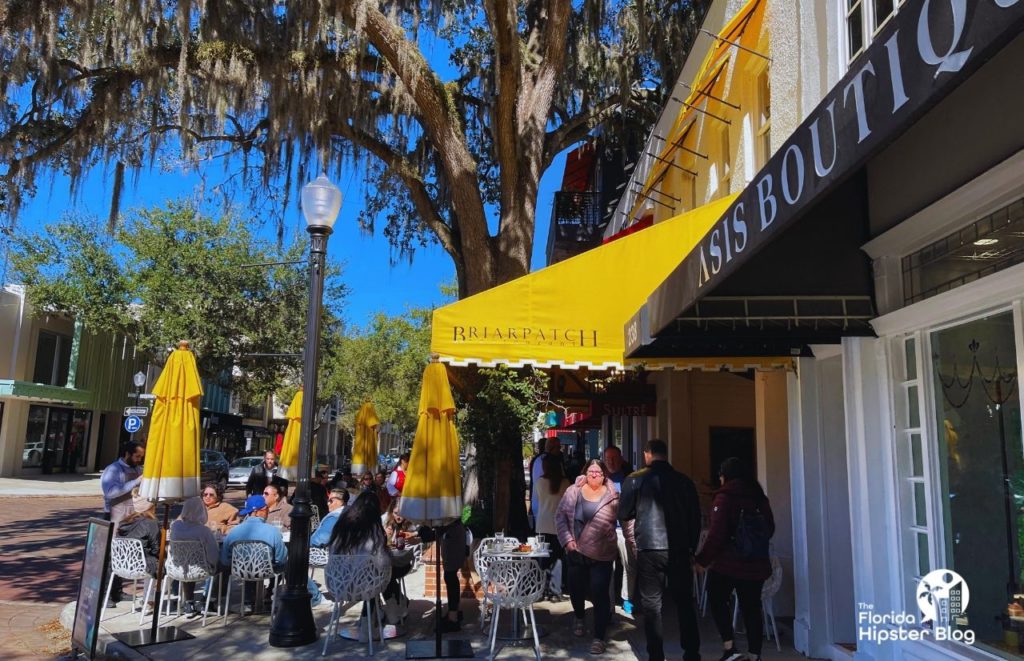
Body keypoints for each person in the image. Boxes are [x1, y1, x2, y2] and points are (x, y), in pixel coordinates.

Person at [619, 439, 702, 661]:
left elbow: (624, 513)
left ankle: (656, 654)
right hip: (679, 547)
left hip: (649, 547)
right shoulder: (684, 482)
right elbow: (695, 519)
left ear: (647, 454)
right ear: (666, 454)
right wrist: (691, 548)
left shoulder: (635, 480)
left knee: (651, 604)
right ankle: (692, 652)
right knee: (684, 601)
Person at [696, 457, 776, 661]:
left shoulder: (725, 497)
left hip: (729, 563)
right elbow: (770, 528)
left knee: (716, 596)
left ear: (726, 476)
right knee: (752, 607)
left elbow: (716, 534)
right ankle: (755, 654)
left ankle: (730, 647)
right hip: (756, 564)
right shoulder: (759, 497)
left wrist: (702, 560)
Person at [555, 459, 620, 655]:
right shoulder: (573, 491)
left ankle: (599, 637)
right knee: (576, 590)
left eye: (598, 472)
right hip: (576, 551)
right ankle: (579, 616)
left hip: (602, 553)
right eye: (591, 471)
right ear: (585, 473)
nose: (594, 475)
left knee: (600, 593)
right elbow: (560, 517)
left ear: (604, 475)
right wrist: (567, 541)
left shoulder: (613, 496)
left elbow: (623, 520)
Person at [220, 495, 327, 609]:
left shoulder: (233, 532)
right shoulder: (272, 531)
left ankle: (248, 600)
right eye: (266, 508)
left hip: (240, 571)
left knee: (249, 563)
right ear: (258, 511)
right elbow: (281, 558)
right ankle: (314, 597)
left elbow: (225, 559)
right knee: (291, 564)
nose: (268, 511)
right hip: (267, 571)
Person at [329, 493, 398, 639]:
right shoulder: (374, 531)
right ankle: (387, 617)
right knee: (376, 576)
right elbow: (382, 562)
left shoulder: (340, 527)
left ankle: (380, 617)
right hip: (364, 586)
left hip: (337, 585)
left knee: (369, 575)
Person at [100, 440, 145, 605]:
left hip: (130, 517)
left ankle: (117, 591)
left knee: (122, 554)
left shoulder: (137, 469)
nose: (139, 460)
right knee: (110, 557)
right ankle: (106, 594)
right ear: (127, 454)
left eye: (141, 457)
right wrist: (136, 482)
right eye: (137, 456)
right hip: (113, 516)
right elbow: (110, 493)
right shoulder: (113, 470)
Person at [170, 496, 219, 617]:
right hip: (200, 570)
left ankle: (189, 603)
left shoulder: (175, 527)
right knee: (218, 567)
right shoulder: (204, 531)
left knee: (188, 563)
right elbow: (213, 556)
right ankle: (208, 599)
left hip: (178, 569)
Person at [603, 445, 635, 614]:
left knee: (629, 565)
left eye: (614, 458)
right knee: (609, 567)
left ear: (621, 459)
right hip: (606, 529)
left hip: (623, 529)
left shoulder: (629, 478)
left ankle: (627, 599)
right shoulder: (600, 478)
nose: (612, 462)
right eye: (608, 459)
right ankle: (608, 603)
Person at [535, 453, 569, 597]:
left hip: (542, 523)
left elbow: (538, 501)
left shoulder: (539, 482)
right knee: (558, 557)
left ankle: (542, 588)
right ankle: (556, 588)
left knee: (543, 557)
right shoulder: (566, 483)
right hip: (559, 525)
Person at [117, 491, 161, 576]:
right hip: (143, 566)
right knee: (171, 563)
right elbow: (156, 549)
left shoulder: (123, 522)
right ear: (151, 505)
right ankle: (162, 589)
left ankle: (148, 589)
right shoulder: (151, 523)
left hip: (122, 564)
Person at [530, 437, 562, 527]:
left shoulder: (538, 460)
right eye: (559, 447)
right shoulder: (546, 461)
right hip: (546, 506)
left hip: (543, 505)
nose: (560, 450)